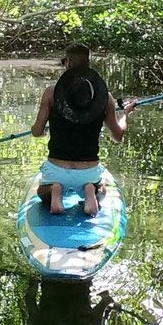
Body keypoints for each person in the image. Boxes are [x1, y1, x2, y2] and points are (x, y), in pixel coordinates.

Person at [29, 44, 137, 216]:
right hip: (88, 170)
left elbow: (36, 131)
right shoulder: (105, 97)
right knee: (101, 190)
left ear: (69, 63)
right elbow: (118, 135)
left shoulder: (51, 93)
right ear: (88, 63)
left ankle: (55, 189)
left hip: (57, 167)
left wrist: (42, 131)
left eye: (65, 61)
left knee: (42, 192)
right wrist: (126, 114)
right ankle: (89, 189)